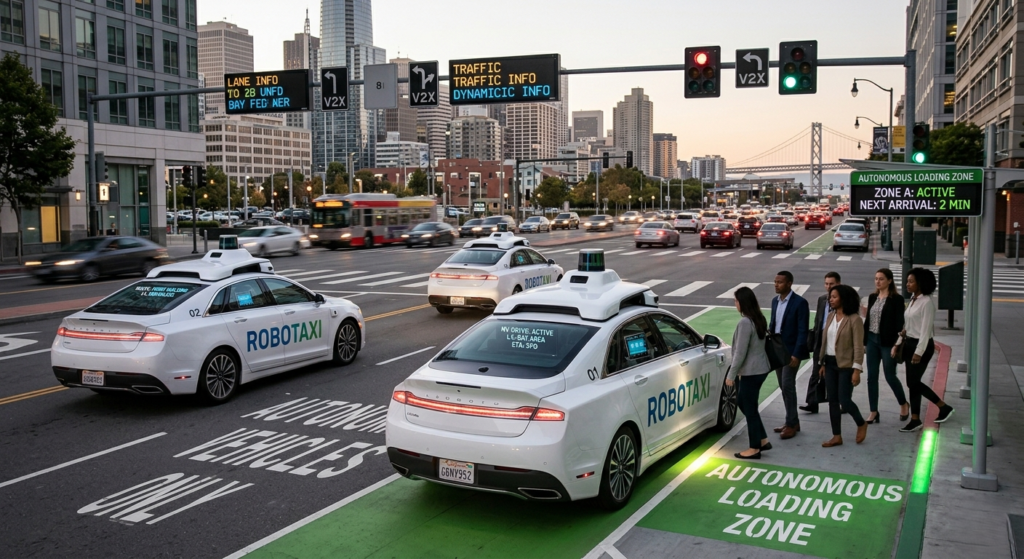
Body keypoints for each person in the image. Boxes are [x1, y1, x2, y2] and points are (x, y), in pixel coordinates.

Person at [897, 268, 954, 432]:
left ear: (920, 283)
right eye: (907, 281)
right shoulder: (914, 299)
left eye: (911, 281)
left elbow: (925, 331)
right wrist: (899, 342)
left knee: (913, 382)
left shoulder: (927, 302)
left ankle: (943, 406)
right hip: (909, 344)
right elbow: (908, 326)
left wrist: (918, 352)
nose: (907, 284)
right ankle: (915, 418)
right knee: (911, 384)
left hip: (920, 346)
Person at [819, 284, 868, 447]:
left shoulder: (854, 319)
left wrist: (857, 370)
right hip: (830, 362)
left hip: (846, 365)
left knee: (844, 400)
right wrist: (823, 362)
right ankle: (836, 436)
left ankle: (861, 423)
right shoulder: (830, 316)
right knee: (832, 400)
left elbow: (858, 347)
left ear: (843, 299)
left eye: (834, 297)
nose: (830, 300)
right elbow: (825, 342)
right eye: (830, 297)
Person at [728, 287, 773, 460]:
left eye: (736, 300)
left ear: (742, 302)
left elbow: (740, 352)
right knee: (745, 403)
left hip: (751, 371)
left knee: (750, 408)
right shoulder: (758, 318)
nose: (735, 303)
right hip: (760, 369)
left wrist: (731, 375)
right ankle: (762, 439)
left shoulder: (745, 323)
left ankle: (754, 447)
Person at [863, 268, 909, 423]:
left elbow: (899, 324)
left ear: (889, 281)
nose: (878, 281)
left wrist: (897, 344)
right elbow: (868, 320)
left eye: (881, 279)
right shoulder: (872, 297)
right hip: (871, 340)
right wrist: (864, 341)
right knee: (871, 377)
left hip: (888, 343)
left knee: (890, 376)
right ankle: (873, 411)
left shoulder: (896, 299)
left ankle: (903, 403)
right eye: (876, 278)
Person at [770, 270, 810, 440]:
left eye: (779, 282)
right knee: (783, 386)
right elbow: (774, 324)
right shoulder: (774, 301)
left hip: (791, 351)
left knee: (787, 385)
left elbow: (803, 331)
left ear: (789, 284)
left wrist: (796, 354)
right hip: (777, 349)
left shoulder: (800, 303)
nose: (776, 284)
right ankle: (791, 420)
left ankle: (792, 424)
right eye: (775, 281)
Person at [802, 271, 841, 414]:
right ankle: (812, 403)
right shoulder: (822, 299)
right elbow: (818, 320)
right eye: (826, 283)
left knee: (837, 374)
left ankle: (842, 401)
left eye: (832, 284)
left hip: (836, 342)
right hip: (820, 340)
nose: (828, 286)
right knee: (815, 373)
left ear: (838, 284)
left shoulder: (843, 300)